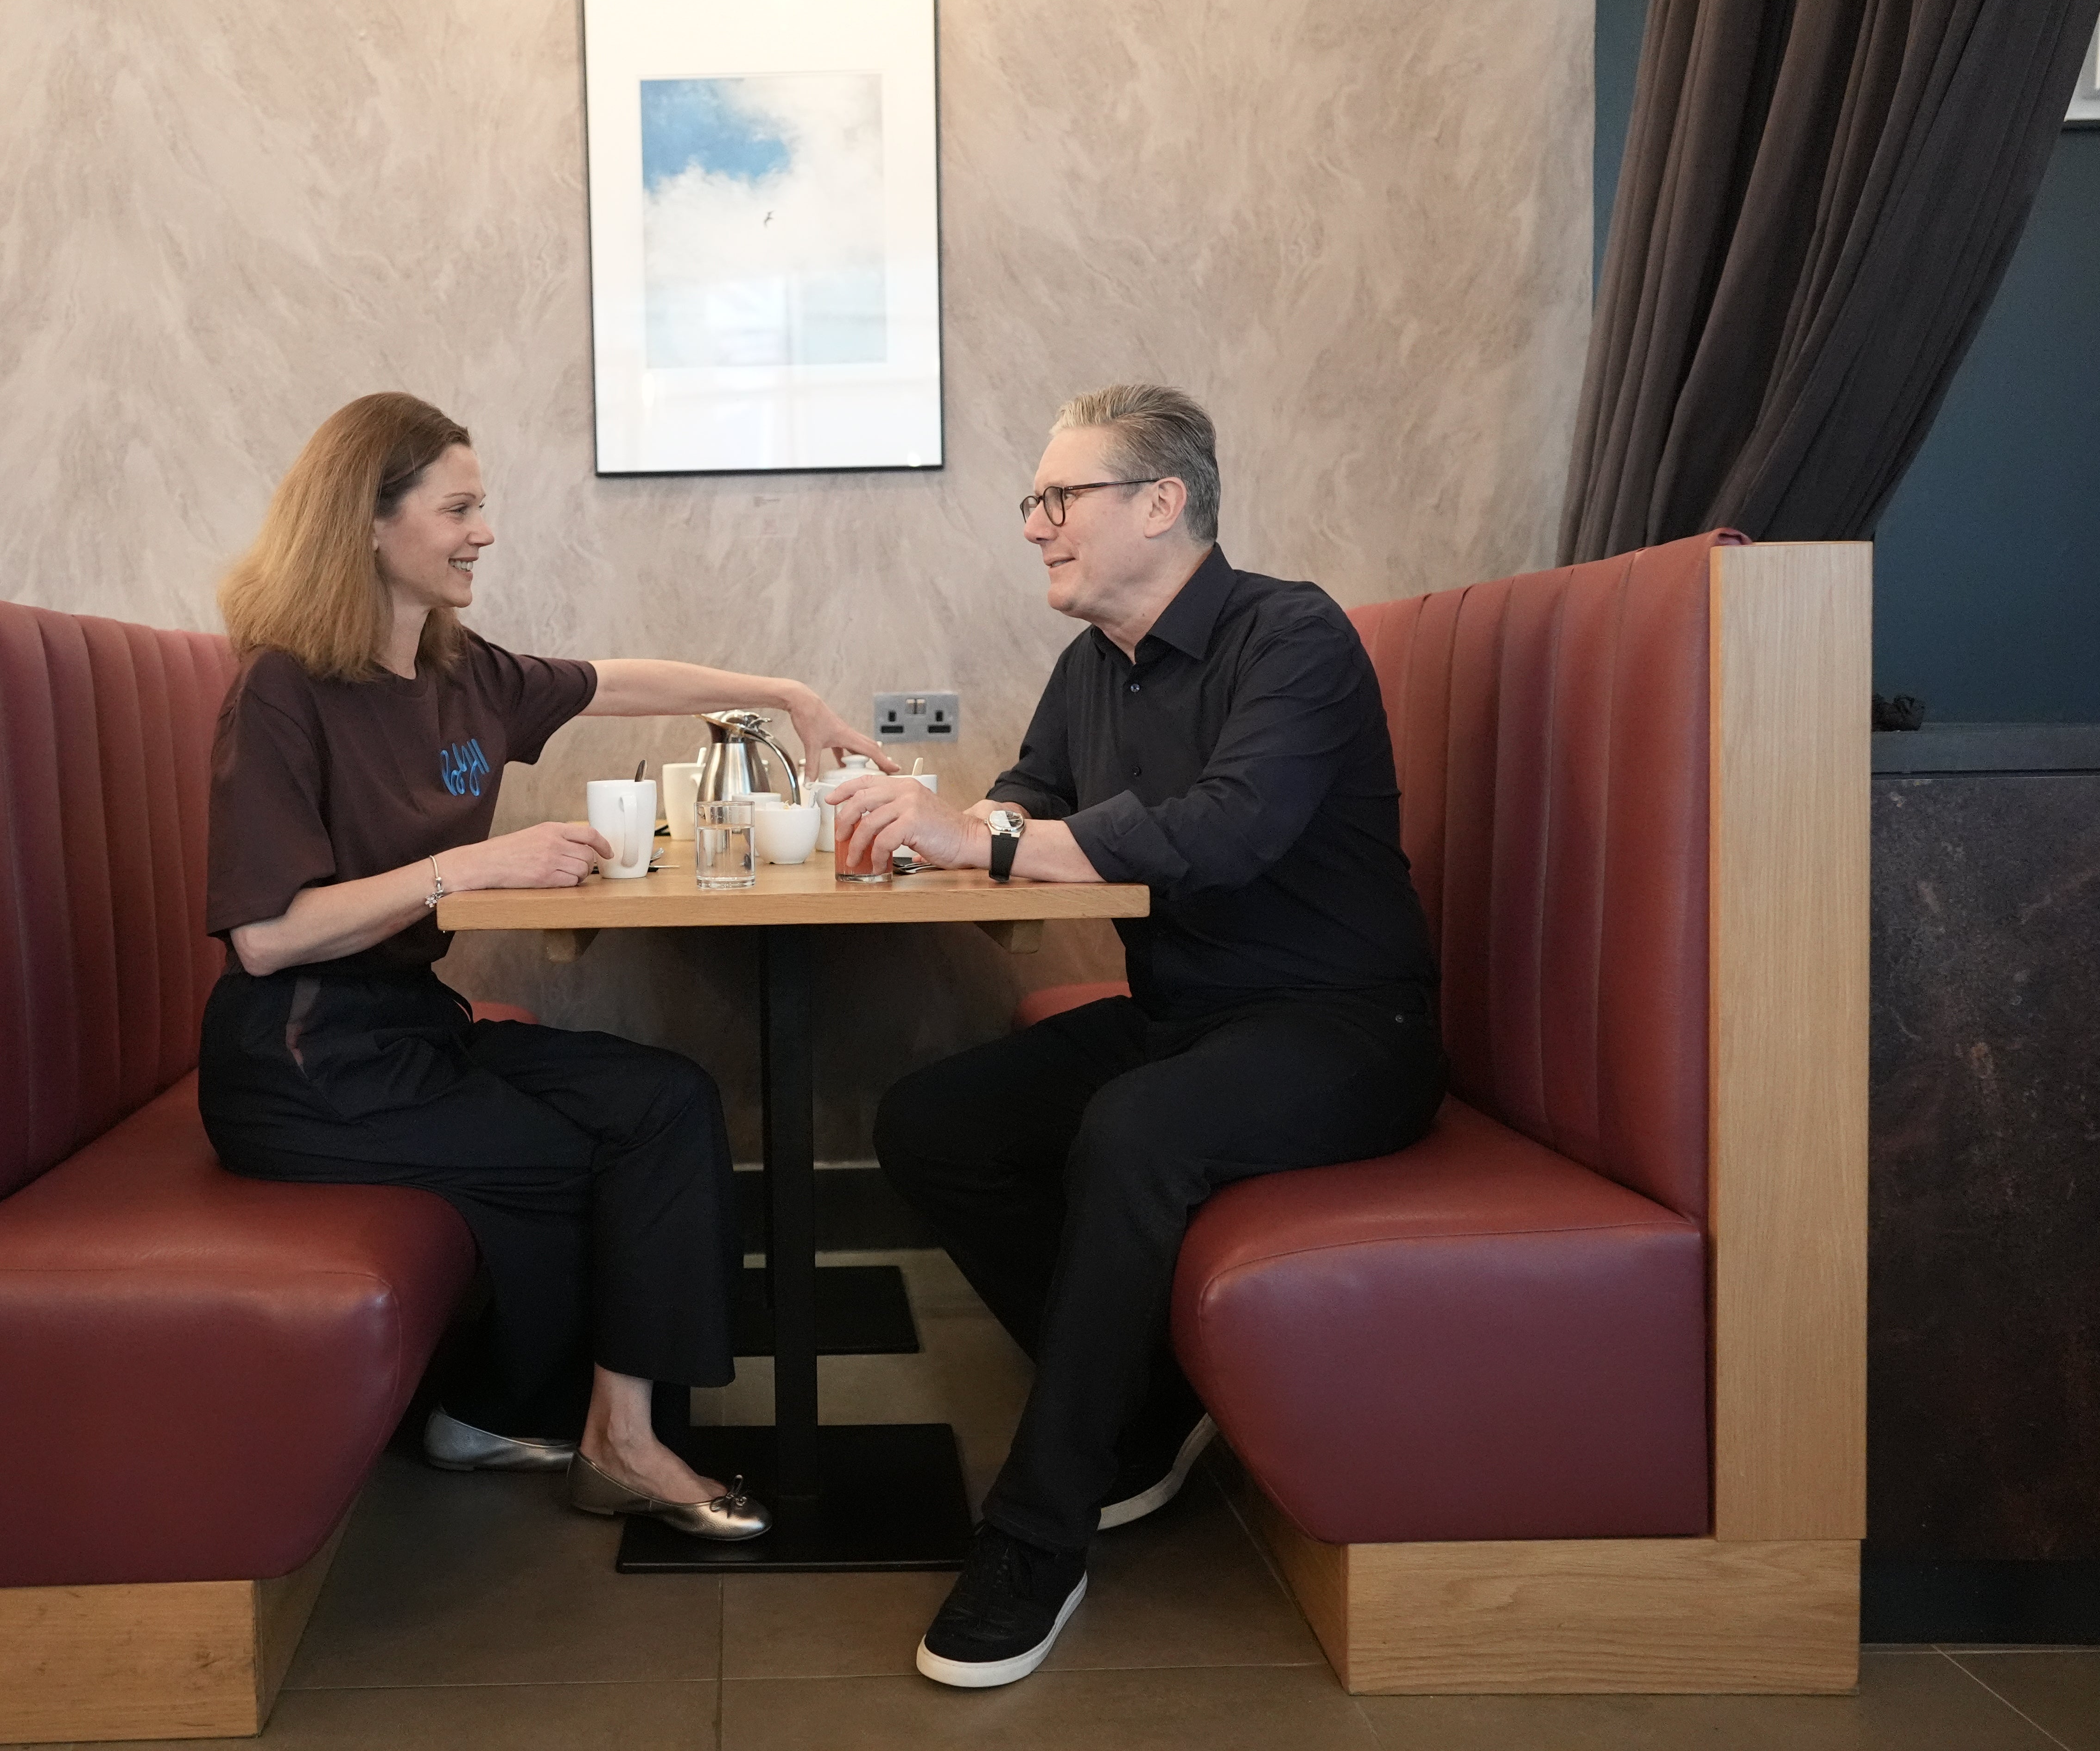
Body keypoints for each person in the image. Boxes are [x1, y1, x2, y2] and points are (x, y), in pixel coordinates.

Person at [828, 384, 1444, 1685]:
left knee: (1132, 1128)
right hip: (1187, 1019)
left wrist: (984, 839)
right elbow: (1031, 797)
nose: (1038, 526)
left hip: (1345, 1027)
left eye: (1062, 498)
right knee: (929, 1122)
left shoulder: (1292, 634)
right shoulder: (1089, 667)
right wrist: (930, 810)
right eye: (1037, 502)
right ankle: (1150, 1403)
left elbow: (1231, 827)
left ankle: (1038, 1535)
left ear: (1162, 504)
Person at [199, 391, 888, 1542]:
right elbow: (266, 935)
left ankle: (524, 1415)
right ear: (368, 522)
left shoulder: (457, 666)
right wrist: (466, 867)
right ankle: (598, 1432)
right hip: (303, 1056)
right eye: (459, 507)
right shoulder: (283, 689)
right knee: (583, 1155)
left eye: (483, 506)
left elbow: (616, 680)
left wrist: (782, 693)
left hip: (414, 1023)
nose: (484, 531)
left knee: (664, 1098)